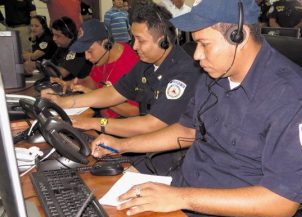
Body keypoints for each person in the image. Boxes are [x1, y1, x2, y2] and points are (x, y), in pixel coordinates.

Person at [90, 0, 302, 217]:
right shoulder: (215, 74)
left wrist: (181, 198)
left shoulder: (294, 98)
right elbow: (186, 130)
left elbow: (282, 201)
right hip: (189, 190)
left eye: (204, 44)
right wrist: (122, 145)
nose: (196, 55)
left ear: (239, 36)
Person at [41, 1, 203, 175]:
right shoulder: (146, 64)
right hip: (143, 149)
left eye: (140, 40)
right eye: (133, 39)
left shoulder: (183, 72)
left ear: (162, 41)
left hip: (170, 160)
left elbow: (151, 124)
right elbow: (113, 92)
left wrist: (93, 123)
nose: (134, 46)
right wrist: (63, 102)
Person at [55, 18, 139, 118]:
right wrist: (74, 83)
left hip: (119, 124)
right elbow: (93, 81)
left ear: (106, 44)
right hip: (102, 117)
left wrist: (95, 95)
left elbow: (134, 111)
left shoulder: (130, 65)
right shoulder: (103, 58)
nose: (86, 57)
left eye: (90, 51)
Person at [50, 16, 92, 81]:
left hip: (82, 86)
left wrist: (44, 66)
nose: (54, 39)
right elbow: (51, 64)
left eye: (58, 36)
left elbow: (62, 73)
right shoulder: (62, 46)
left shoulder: (78, 49)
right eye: (53, 34)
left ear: (69, 35)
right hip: (69, 84)